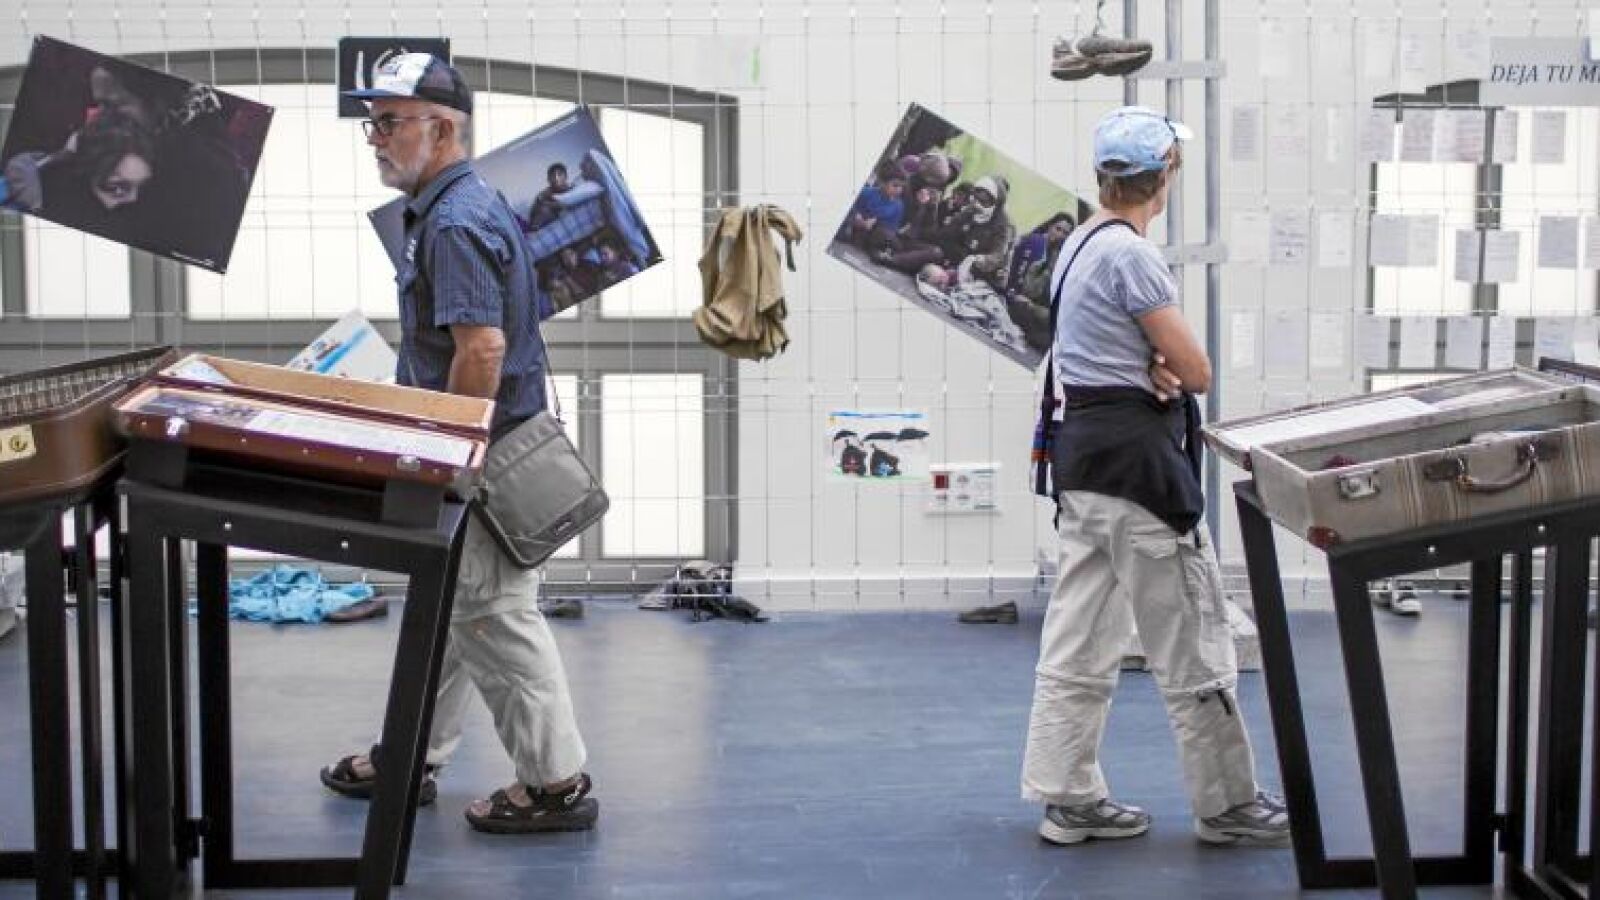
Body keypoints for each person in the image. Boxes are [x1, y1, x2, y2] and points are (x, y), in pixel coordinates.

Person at [320, 52, 598, 834]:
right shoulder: (452, 208)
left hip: (485, 456)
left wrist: (445, 456)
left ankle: (557, 784)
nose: (375, 138)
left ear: (441, 129)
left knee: (495, 616)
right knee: (453, 611)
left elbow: (481, 350)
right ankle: (412, 756)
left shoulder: (453, 222)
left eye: (389, 122)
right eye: (373, 123)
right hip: (493, 443)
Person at [1021, 106, 1288, 847]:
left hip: (1083, 466)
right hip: (1141, 474)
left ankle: (1067, 796)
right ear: (1165, 174)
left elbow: (1115, 355)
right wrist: (1168, 368)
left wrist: (1154, 367)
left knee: (1077, 641)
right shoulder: (1133, 257)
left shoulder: (1078, 245)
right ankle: (1228, 805)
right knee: (1192, 641)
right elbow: (1195, 370)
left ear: (1102, 175)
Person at [840, 167, 907, 255]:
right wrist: (857, 216)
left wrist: (876, 223)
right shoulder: (866, 192)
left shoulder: (898, 205)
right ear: (882, 183)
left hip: (874, 233)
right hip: (855, 226)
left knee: (888, 238)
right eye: (895, 185)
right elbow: (852, 208)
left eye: (901, 186)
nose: (898, 189)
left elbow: (891, 228)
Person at [527, 161, 571, 230]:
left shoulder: (574, 190)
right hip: (549, 228)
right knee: (544, 209)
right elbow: (533, 219)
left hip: (571, 223)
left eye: (559, 174)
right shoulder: (543, 195)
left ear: (566, 177)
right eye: (553, 176)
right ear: (548, 180)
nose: (556, 178)